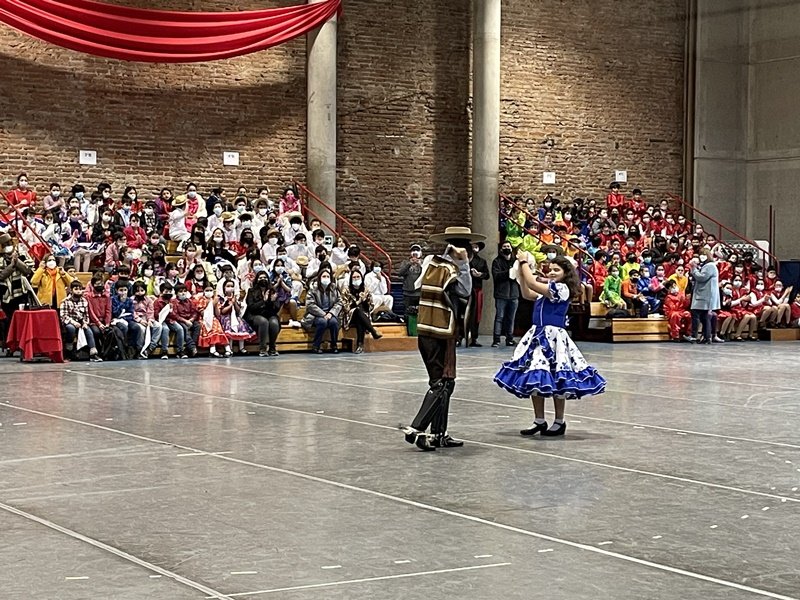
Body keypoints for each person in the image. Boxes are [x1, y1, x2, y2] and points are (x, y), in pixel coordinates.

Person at [494, 254, 606, 437]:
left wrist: (524, 262)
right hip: (538, 335)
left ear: (566, 273)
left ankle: (559, 421)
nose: (551, 272)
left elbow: (533, 284)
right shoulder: (548, 289)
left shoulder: (562, 288)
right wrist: (521, 273)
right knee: (536, 375)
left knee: (557, 376)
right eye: (550, 269)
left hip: (554, 338)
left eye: (556, 270)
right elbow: (527, 293)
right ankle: (539, 420)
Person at [400, 226, 481, 451]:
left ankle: (438, 434)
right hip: (441, 332)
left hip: (427, 331)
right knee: (442, 383)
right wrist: (464, 264)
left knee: (444, 382)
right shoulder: (449, 268)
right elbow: (465, 291)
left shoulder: (431, 264)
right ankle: (416, 429)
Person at [340, 266, 383, 353]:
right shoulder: (346, 290)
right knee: (357, 311)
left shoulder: (366, 290)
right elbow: (345, 307)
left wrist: (365, 301)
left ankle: (360, 345)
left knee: (360, 319)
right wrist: (358, 302)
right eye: (354, 277)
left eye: (358, 277)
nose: (356, 279)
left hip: (364, 315)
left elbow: (371, 306)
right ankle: (372, 331)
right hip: (349, 316)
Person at [59, 280, 102, 362]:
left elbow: (86, 315)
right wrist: (74, 322)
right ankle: (68, 351)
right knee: (71, 328)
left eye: (80, 289)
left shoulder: (84, 301)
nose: (78, 291)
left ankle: (93, 353)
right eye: (76, 289)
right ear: (71, 290)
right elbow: (63, 316)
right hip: (70, 322)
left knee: (88, 330)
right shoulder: (65, 301)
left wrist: (85, 323)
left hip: (81, 322)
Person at [304, 268, 343, 353]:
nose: (326, 278)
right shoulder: (313, 289)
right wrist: (323, 314)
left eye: (328, 276)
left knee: (334, 322)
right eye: (324, 276)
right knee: (322, 322)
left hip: (330, 313)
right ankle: (316, 346)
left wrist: (331, 313)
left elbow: (339, 302)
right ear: (319, 278)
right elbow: (310, 305)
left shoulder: (334, 289)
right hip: (316, 315)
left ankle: (334, 345)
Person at [244, 271, 282, 356]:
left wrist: (272, 302)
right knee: (263, 321)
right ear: (257, 280)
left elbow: (276, 309)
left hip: (269, 314)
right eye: (260, 278)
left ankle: (272, 348)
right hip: (255, 315)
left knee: (274, 322)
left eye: (265, 277)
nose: (263, 279)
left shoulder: (273, 291)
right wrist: (263, 301)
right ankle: (263, 349)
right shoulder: (251, 291)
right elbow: (252, 307)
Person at [689, 247, 722, 343]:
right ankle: (707, 337)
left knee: (696, 313)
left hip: (705, 295)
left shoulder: (710, 266)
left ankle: (695, 336)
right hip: (705, 295)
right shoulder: (707, 266)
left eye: (703, 255)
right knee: (705, 316)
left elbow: (701, 277)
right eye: (700, 255)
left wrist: (694, 268)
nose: (701, 257)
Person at [491, 240, 519, 348]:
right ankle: (496, 339)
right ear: (501, 249)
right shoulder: (497, 261)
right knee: (499, 317)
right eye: (504, 246)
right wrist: (509, 273)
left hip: (514, 294)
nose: (507, 248)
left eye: (508, 246)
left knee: (511, 318)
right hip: (501, 294)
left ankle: (510, 339)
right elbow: (496, 276)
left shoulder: (515, 262)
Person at [0, 233, 33, 322]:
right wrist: (12, 265)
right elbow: (1, 276)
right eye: (5, 244)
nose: (8, 246)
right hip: (7, 296)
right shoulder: (1, 258)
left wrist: (17, 261)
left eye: (9, 243)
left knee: (22, 319)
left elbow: (28, 270)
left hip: (21, 293)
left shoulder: (22, 254)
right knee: (9, 320)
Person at [218, 279, 254, 354]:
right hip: (225, 317)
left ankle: (241, 348)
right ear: (224, 287)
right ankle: (230, 348)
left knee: (240, 324)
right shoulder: (221, 299)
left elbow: (238, 311)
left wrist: (234, 303)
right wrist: (230, 305)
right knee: (229, 325)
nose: (230, 288)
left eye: (232, 286)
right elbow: (222, 311)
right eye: (228, 286)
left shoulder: (235, 298)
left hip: (235, 316)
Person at [194, 284, 230, 357]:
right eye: (207, 290)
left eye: (211, 290)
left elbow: (218, 314)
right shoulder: (201, 300)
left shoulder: (214, 299)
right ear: (204, 291)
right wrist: (212, 304)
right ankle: (212, 350)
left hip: (213, 319)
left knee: (217, 326)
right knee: (212, 328)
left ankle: (228, 349)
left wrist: (215, 304)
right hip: (204, 319)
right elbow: (203, 313)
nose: (209, 292)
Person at [467, 240, 490, 347]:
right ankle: (460, 337)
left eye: (476, 247)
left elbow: (487, 275)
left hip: (477, 289)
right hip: (466, 289)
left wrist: (480, 274)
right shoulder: (465, 260)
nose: (474, 249)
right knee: (463, 314)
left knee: (476, 315)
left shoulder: (482, 261)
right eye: (473, 246)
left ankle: (474, 338)